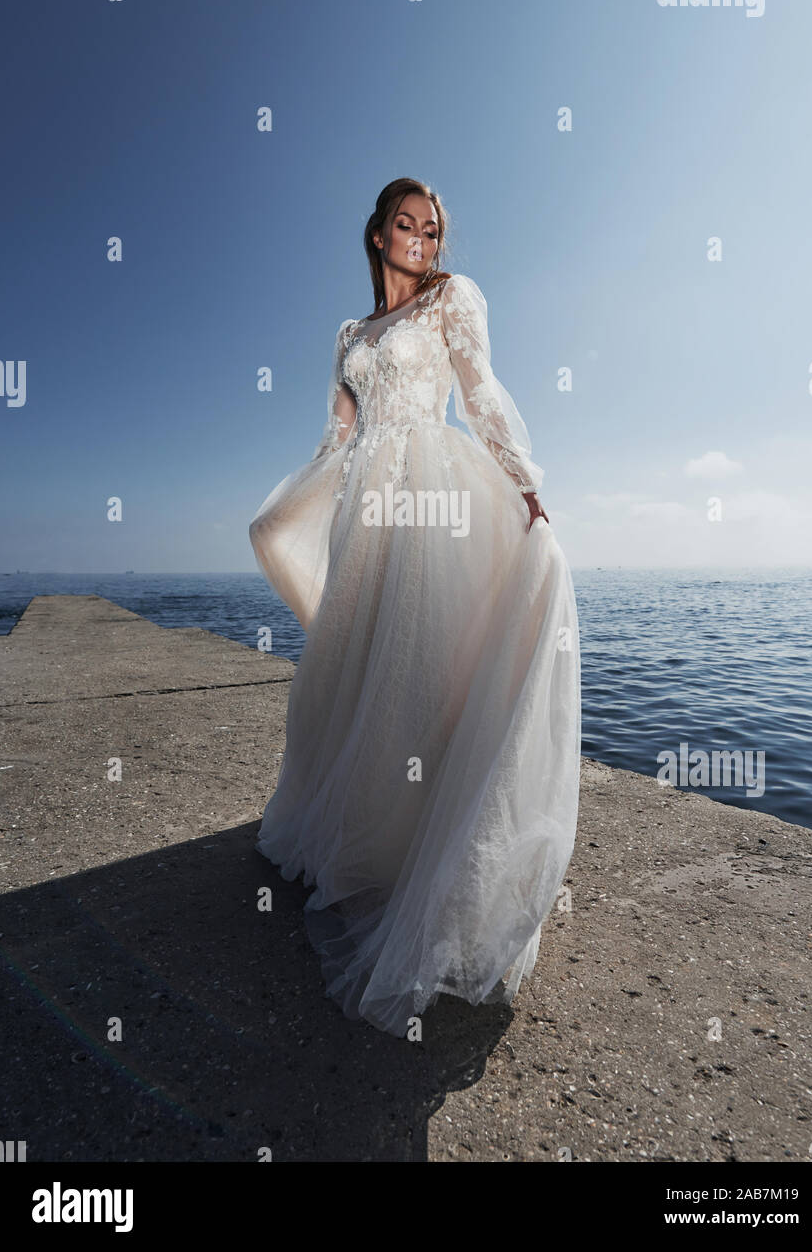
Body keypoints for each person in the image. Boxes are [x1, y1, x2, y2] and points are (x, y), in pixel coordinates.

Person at [249, 177, 581, 1038]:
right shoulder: (349, 336)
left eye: (432, 229)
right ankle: (360, 836)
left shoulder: (451, 299)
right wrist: (290, 506)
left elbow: (478, 390)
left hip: (431, 488)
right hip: (365, 497)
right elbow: (338, 433)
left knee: (419, 666)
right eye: (406, 225)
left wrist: (522, 479)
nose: (421, 240)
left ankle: (425, 855)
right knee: (358, 670)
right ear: (376, 233)